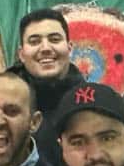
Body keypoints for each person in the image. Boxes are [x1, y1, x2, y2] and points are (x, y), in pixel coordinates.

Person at [10, 8, 85, 145]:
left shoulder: (90, 101)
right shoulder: (2, 102)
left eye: (54, 39)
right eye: (34, 42)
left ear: (69, 48)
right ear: (21, 54)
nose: (45, 48)